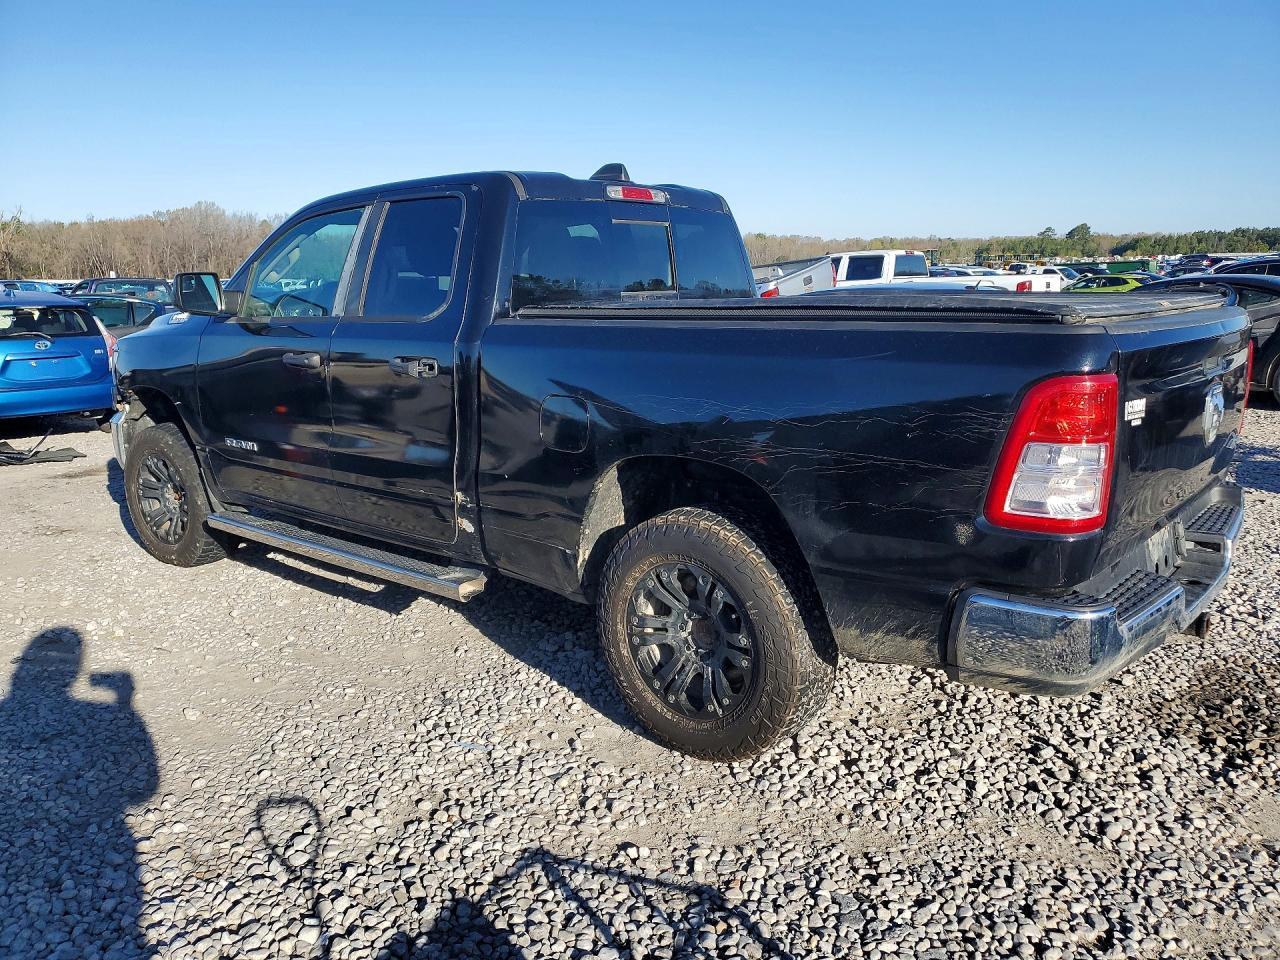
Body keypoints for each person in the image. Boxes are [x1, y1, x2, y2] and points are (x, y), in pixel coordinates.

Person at [0, 627, 158, 959]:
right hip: (119, 847)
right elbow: (145, 788)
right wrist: (124, 703)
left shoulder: (9, 711)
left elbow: (144, 788)